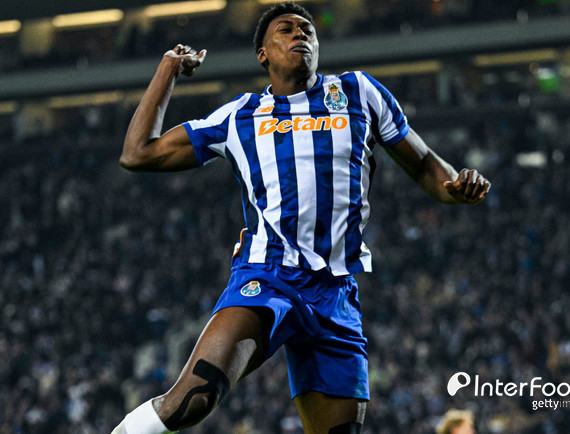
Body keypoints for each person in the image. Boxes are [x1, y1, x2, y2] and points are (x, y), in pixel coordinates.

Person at [112, 2, 491, 433]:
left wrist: (454, 188)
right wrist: (168, 69)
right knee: (195, 397)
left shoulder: (359, 92)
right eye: (286, 29)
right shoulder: (239, 116)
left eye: (307, 29)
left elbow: (424, 166)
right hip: (268, 277)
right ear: (263, 54)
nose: (300, 34)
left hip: (335, 294)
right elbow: (137, 153)